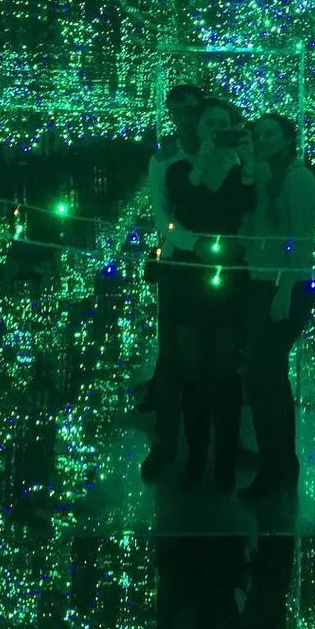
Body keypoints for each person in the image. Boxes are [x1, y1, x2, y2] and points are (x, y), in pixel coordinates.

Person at [144, 98, 255, 493]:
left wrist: (245, 165)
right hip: (187, 275)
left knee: (226, 368)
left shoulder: (242, 167)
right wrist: (197, 244)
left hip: (229, 276)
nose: (215, 130)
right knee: (188, 369)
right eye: (210, 123)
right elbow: (175, 213)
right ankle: (190, 454)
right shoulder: (174, 165)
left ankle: (224, 459)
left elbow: (250, 211)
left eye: (224, 124)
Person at [238, 113, 315, 501]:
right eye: (258, 134)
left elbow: (301, 241)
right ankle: (282, 462)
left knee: (259, 374)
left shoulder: (299, 180)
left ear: (288, 139)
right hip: (260, 281)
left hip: (285, 287)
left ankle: (273, 468)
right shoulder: (263, 176)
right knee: (270, 376)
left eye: (271, 133)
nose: (262, 139)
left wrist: (285, 289)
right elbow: (260, 227)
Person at [138, 85, 205, 419]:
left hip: (215, 260)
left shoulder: (221, 153)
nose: (182, 118)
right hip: (179, 260)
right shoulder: (164, 159)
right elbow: (162, 216)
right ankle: (167, 419)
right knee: (172, 339)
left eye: (188, 109)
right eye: (175, 111)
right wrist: (194, 243)